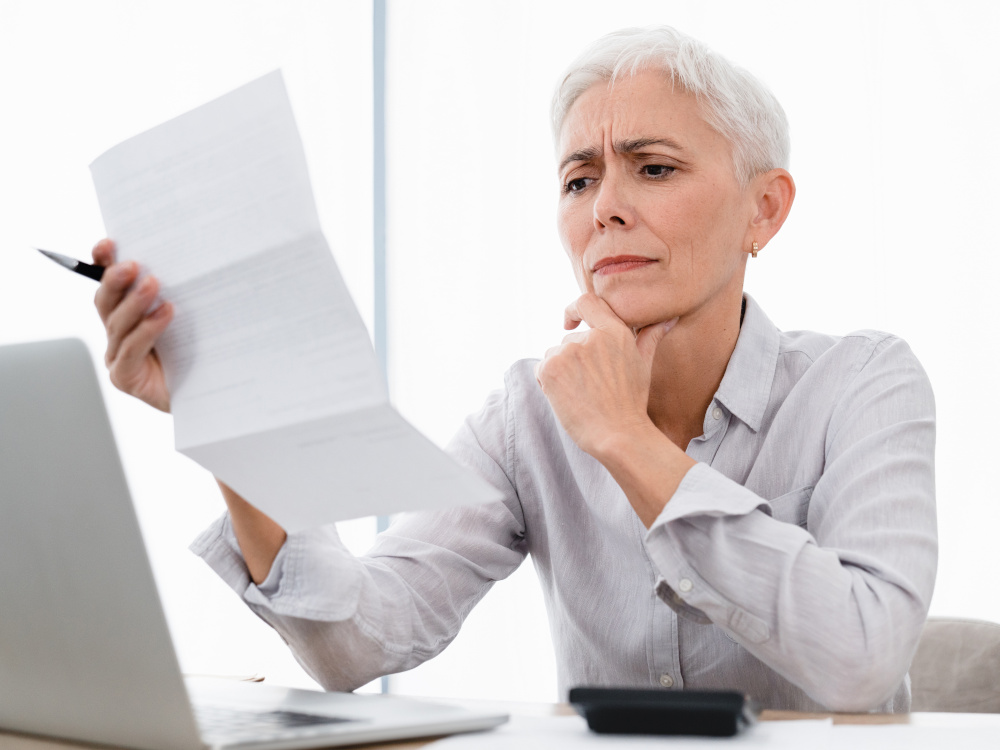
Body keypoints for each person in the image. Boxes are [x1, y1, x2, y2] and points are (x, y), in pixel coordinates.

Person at [91, 25, 936, 713]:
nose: (606, 208)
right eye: (579, 180)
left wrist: (623, 439)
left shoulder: (864, 384)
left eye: (654, 168)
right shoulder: (526, 415)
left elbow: (861, 661)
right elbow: (355, 644)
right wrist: (225, 404)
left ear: (765, 209)